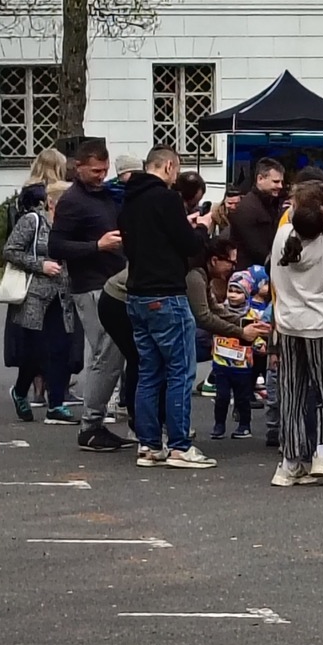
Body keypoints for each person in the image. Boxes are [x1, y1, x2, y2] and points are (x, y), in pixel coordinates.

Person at [120, 146, 215, 469]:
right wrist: (201, 226)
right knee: (179, 371)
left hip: (136, 293)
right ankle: (179, 445)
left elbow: (141, 240)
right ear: (169, 167)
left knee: (149, 372)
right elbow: (188, 245)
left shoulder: (129, 198)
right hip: (167, 292)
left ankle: (148, 445)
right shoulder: (167, 198)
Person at [49, 137, 131, 451]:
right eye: (95, 170)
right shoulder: (72, 201)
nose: (100, 175)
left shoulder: (106, 195)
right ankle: (91, 424)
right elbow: (56, 246)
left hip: (114, 281)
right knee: (106, 355)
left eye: (104, 170)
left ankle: (97, 422)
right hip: (92, 286)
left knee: (111, 354)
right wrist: (97, 246)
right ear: (78, 167)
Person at [268, 199, 323, 488]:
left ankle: (290, 462)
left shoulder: (282, 237)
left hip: (288, 323)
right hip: (320, 326)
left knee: (291, 392)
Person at [1, 179, 81, 424]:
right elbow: (10, 250)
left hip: (63, 296)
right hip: (36, 296)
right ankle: (20, 390)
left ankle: (56, 405)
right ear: (51, 202)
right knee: (35, 353)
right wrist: (40, 265)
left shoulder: (73, 225)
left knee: (60, 349)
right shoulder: (33, 221)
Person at [190, 235, 266, 441]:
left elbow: (215, 309)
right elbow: (205, 317)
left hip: (240, 366)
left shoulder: (204, 277)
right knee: (186, 375)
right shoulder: (195, 276)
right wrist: (241, 332)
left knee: (241, 396)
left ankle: (242, 424)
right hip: (220, 361)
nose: (233, 268)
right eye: (231, 262)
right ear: (214, 260)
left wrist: (248, 324)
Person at [230, 157, 287, 271]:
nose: (280, 186)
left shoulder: (270, 204)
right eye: (275, 181)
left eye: (281, 182)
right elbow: (257, 249)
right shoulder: (247, 208)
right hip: (252, 274)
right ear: (260, 179)